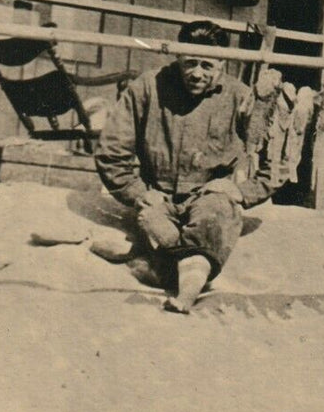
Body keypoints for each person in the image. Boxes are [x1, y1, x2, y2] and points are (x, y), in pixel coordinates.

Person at [95, 20, 269, 314]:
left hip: (210, 196)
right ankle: (173, 258)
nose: (197, 73)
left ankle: (186, 289)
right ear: (177, 57)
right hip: (158, 194)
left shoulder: (240, 97)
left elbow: (273, 160)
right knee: (155, 228)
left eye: (206, 65)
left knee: (213, 218)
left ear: (222, 62)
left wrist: (242, 192)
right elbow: (111, 151)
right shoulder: (146, 88)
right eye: (189, 63)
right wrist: (138, 193)